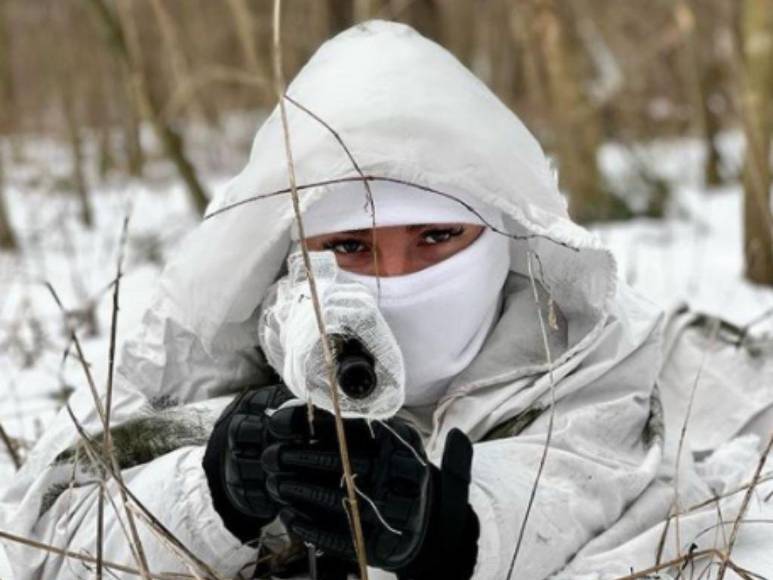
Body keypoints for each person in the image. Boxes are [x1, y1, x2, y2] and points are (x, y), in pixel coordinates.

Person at [3, 19, 769, 580]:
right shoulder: (206, 365)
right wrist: (210, 495)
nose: (396, 278)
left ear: (503, 237)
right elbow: (40, 538)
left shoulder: (588, 354)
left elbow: (612, 492)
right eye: (350, 248)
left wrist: (454, 534)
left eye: (436, 237)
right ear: (288, 256)